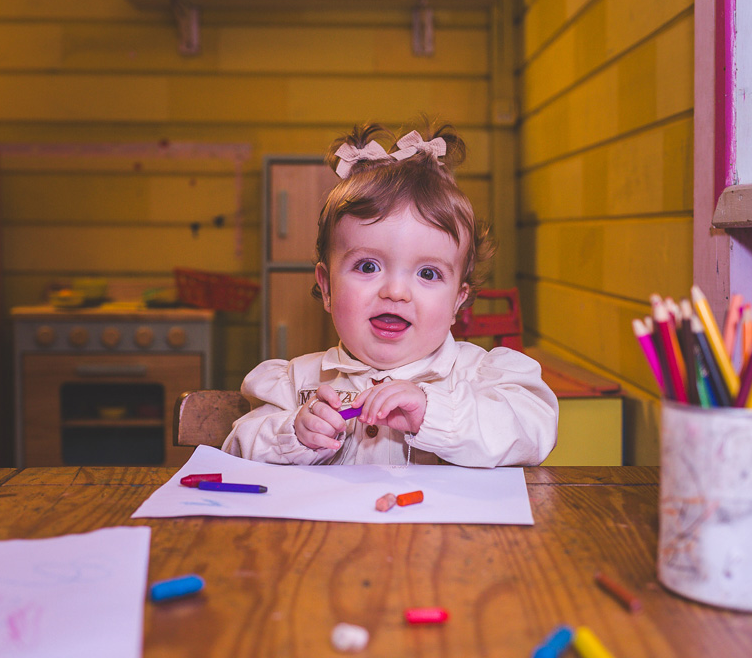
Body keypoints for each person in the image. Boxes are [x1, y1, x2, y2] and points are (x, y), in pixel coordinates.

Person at [222, 121, 558, 466]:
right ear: (327, 288)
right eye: (368, 267)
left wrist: (435, 413)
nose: (396, 292)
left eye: (428, 273)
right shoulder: (295, 383)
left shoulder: (482, 377)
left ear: (458, 301)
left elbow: (533, 432)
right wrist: (293, 433)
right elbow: (235, 450)